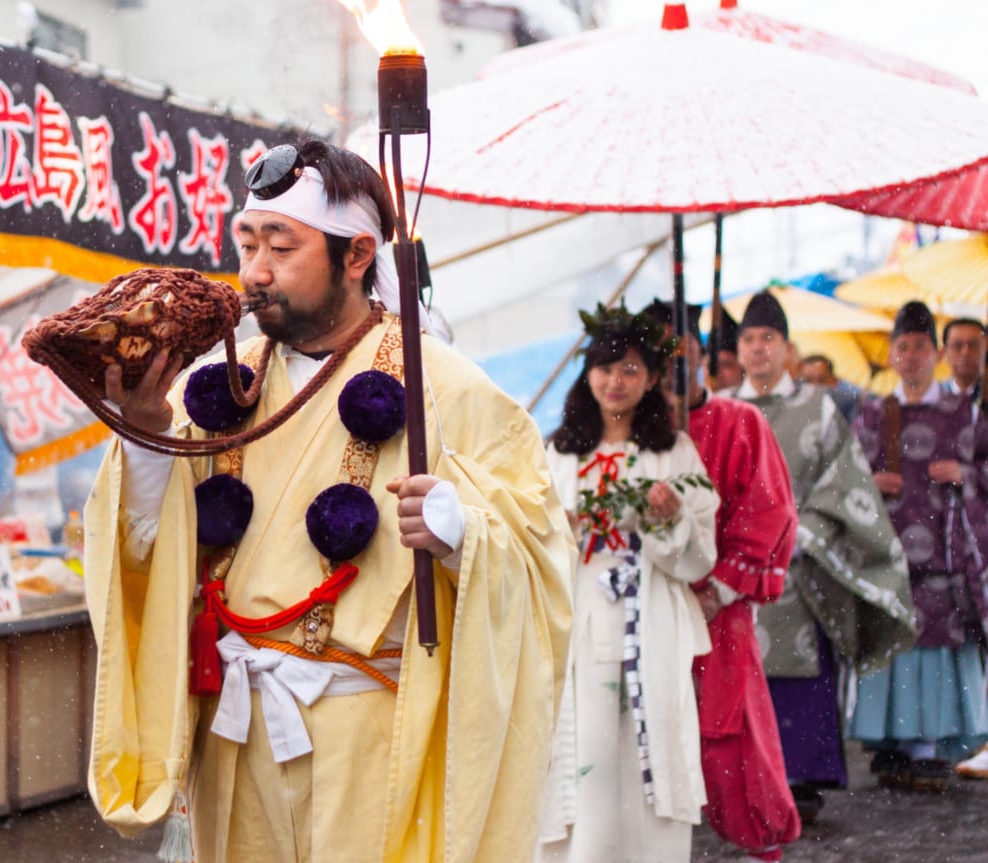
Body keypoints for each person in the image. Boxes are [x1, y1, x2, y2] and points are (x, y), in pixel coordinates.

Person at [82, 137, 575, 863]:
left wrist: (465, 535)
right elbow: (146, 548)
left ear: (357, 255)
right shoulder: (219, 386)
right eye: (248, 243)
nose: (255, 271)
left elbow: (542, 563)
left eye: (281, 247)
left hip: (365, 735)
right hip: (234, 730)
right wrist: (149, 437)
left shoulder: (446, 387)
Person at [536, 301, 719, 863]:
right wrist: (564, 530)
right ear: (587, 374)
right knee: (587, 748)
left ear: (653, 379)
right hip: (582, 615)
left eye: (630, 369)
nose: (615, 381)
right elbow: (532, 542)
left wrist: (670, 519)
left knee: (651, 742)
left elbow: (699, 557)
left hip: (651, 616)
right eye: (605, 368)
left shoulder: (674, 453)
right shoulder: (558, 454)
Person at [731, 290, 915, 820]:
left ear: (787, 348)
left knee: (799, 668)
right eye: (749, 339)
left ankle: (800, 777)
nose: (759, 348)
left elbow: (844, 480)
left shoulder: (818, 407)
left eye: (769, 338)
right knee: (739, 671)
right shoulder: (720, 410)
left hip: (799, 565)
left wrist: (798, 535)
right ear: (739, 350)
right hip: (735, 570)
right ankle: (744, 778)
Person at [646, 299, 800, 863]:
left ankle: (758, 836)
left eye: (684, 353)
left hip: (720, 608)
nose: (674, 366)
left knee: (732, 730)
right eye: (661, 356)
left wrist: (719, 590)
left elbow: (769, 513)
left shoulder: (742, 422)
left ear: (704, 356)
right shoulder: (631, 434)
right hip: (650, 608)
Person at [849, 301, 988, 791]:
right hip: (886, 559)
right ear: (891, 355)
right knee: (890, 644)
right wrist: (868, 483)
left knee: (935, 650)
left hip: (944, 562)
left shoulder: (964, 414)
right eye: (903, 347)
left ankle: (930, 745)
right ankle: (889, 743)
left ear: (937, 355)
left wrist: (965, 473)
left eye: (921, 347)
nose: (911, 357)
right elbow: (843, 479)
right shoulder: (872, 413)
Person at [798, 353, 864, 423]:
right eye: (808, 381)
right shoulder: (801, 402)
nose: (815, 387)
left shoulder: (853, 398)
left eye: (821, 380)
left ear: (833, 380)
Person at [941, 316, 986, 400]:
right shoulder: (933, 398)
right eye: (957, 345)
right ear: (945, 352)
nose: (965, 353)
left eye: (973, 345)